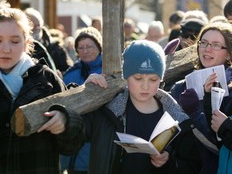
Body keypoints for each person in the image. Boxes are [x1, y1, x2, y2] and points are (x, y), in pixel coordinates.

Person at [0, 0, 85, 173]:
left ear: (27, 44)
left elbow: (73, 144)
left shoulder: (47, 82)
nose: (6, 49)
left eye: (15, 41)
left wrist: (66, 122)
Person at [83, 40, 202, 174]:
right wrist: (86, 92)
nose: (145, 86)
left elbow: (191, 165)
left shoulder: (176, 117)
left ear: (161, 79)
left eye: (153, 79)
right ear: (126, 77)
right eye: (138, 78)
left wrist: (167, 162)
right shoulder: (107, 110)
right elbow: (74, 133)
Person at [170, 21, 232, 174]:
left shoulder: (230, 91)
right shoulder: (180, 87)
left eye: (216, 45)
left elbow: (219, 142)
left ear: (229, 53)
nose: (207, 49)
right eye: (203, 43)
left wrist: (195, 113)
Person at [61, 26, 103, 174]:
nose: (85, 51)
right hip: (75, 142)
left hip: (98, 139)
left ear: (99, 46)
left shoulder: (109, 70)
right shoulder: (70, 74)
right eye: (81, 47)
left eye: (89, 46)